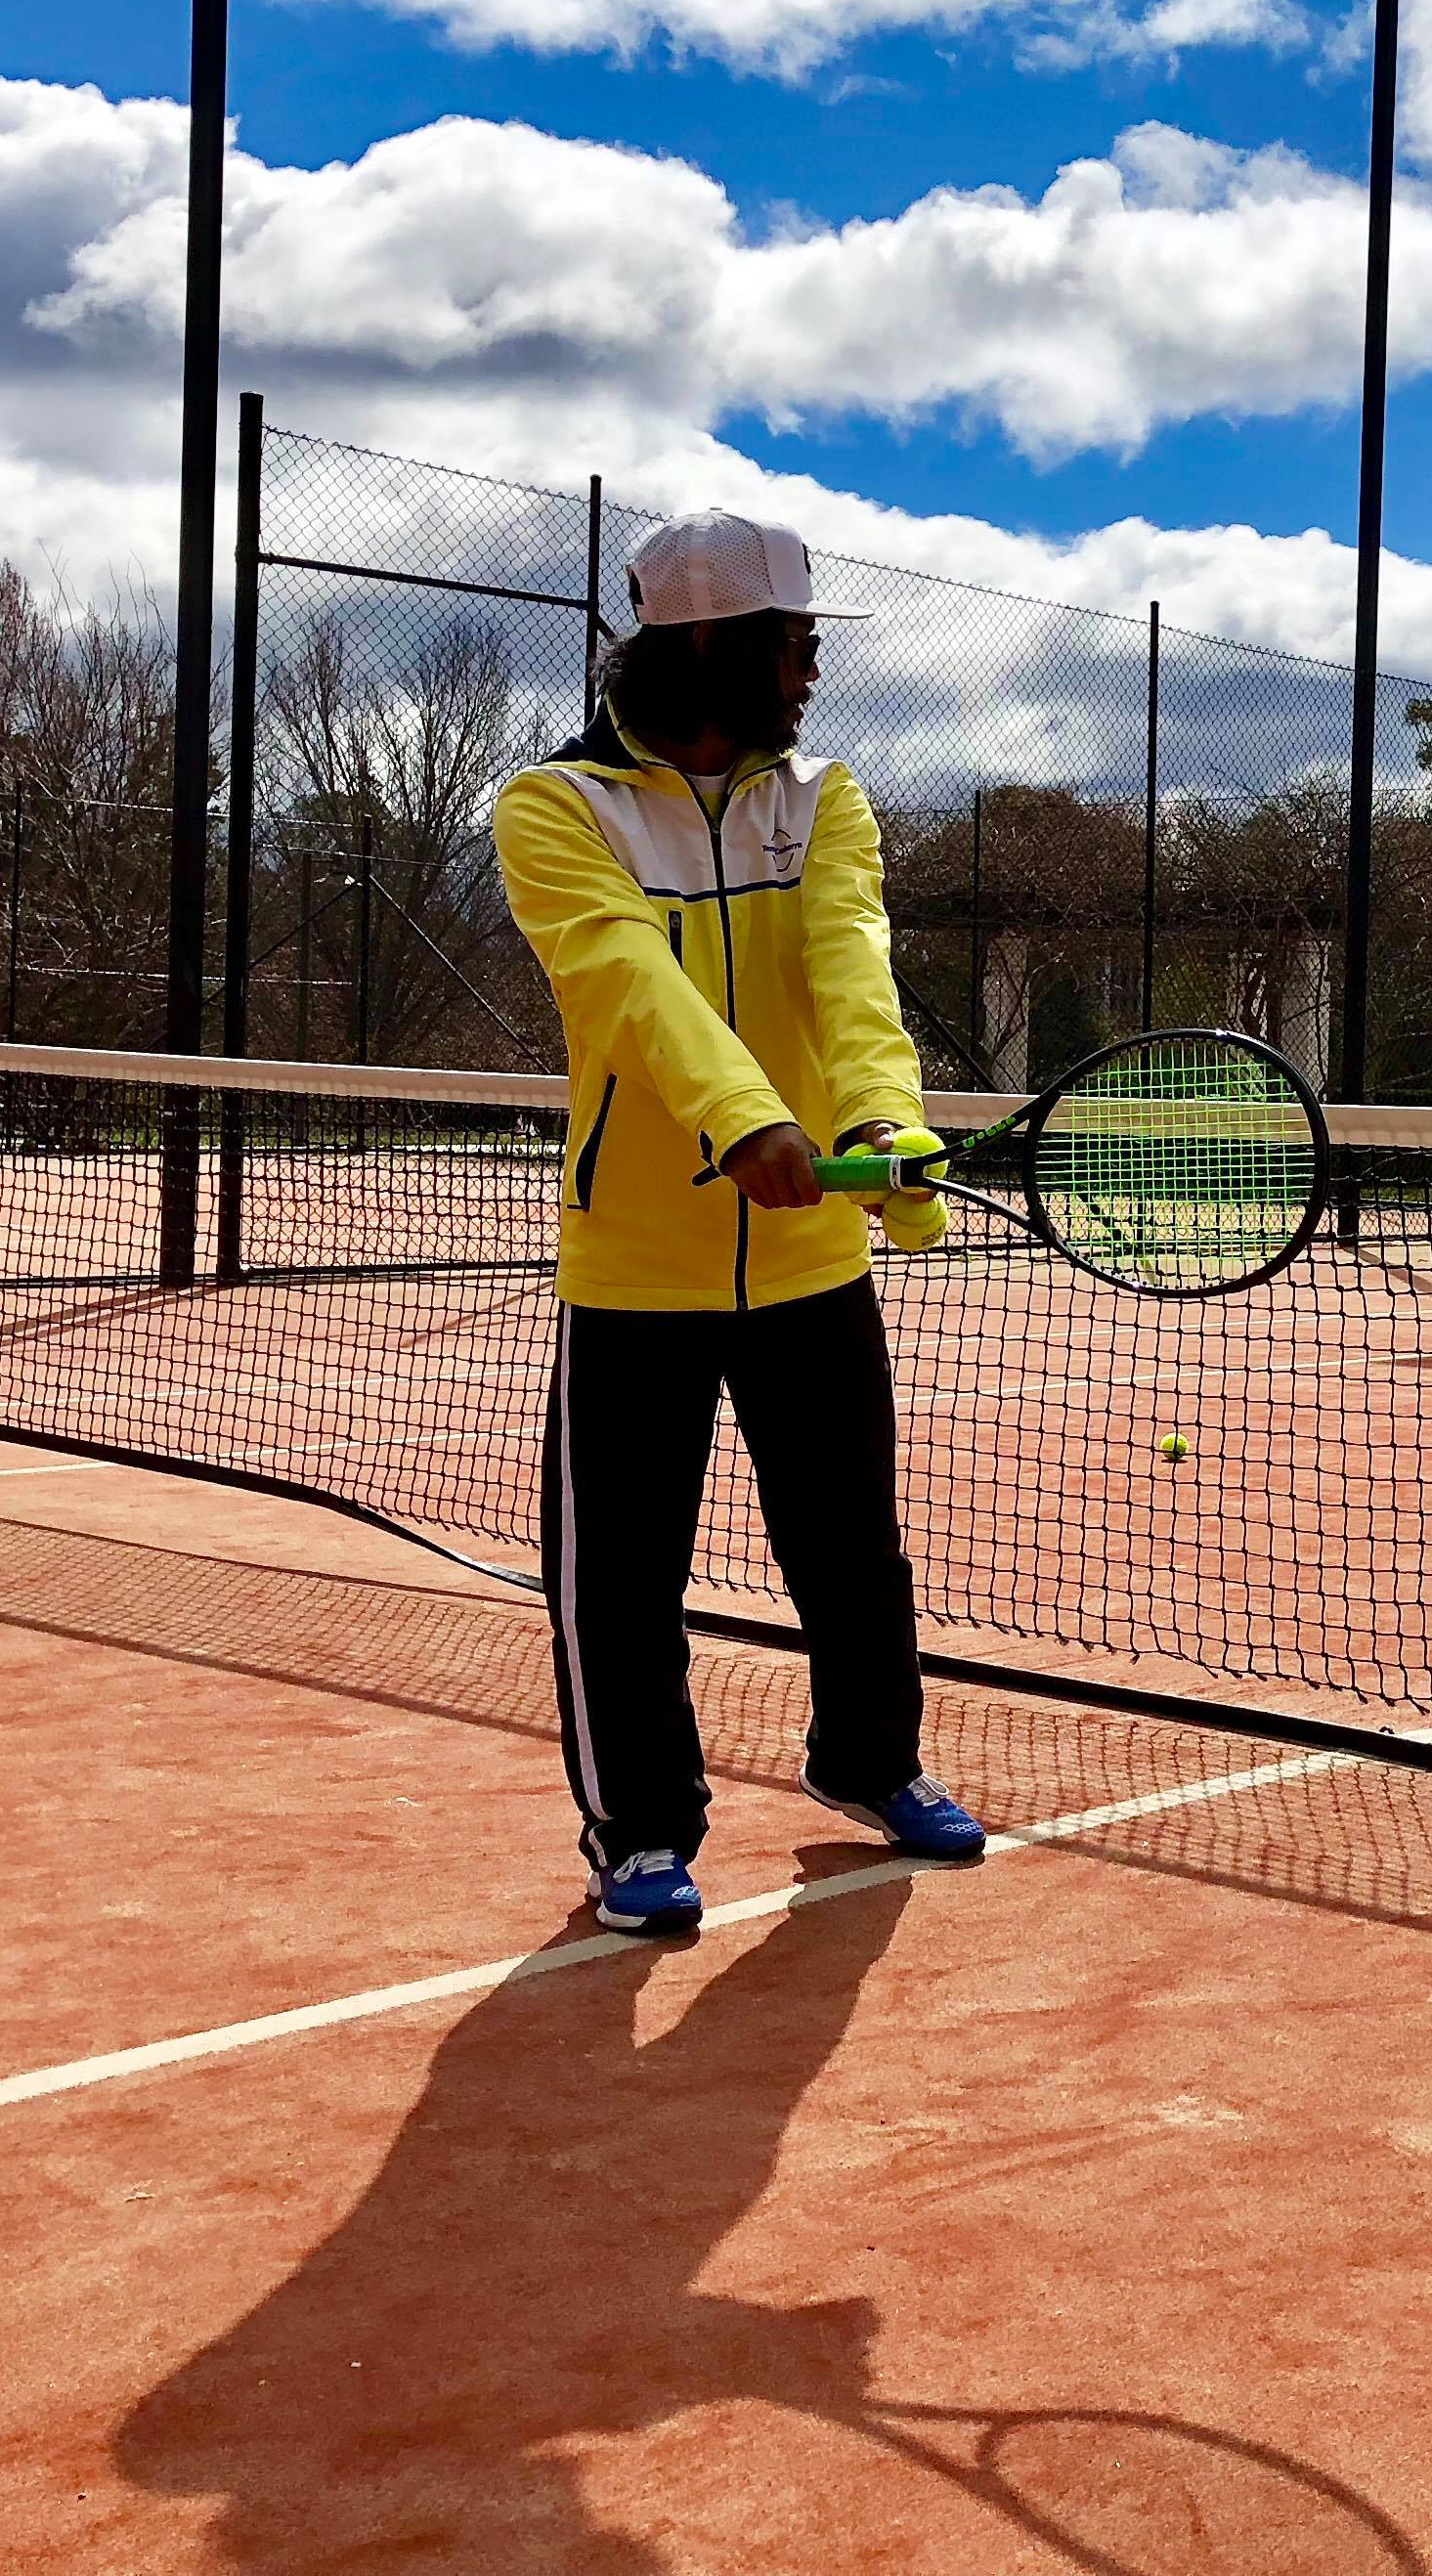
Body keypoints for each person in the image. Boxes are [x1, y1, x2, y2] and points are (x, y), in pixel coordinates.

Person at [492, 510, 984, 1934]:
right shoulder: (555, 807)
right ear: (712, 642)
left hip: (812, 1259)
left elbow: (852, 970)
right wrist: (744, 1121)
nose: (813, 669)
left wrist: (880, 1121)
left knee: (852, 1548)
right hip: (634, 1270)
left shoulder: (822, 799)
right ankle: (639, 1831)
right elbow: (623, 981)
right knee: (620, 1576)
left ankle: (870, 1762)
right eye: (796, 640)